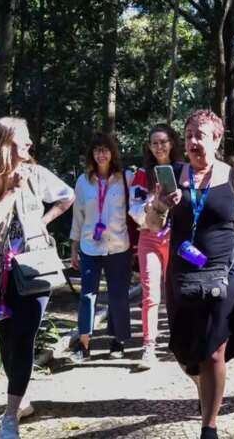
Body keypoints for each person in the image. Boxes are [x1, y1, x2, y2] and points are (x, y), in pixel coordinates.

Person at [146, 110, 234, 439]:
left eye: (200, 135)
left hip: (225, 269)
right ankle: (207, 388)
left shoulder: (233, 177)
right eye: (188, 135)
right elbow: (153, 226)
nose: (192, 141)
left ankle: (209, 425)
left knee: (214, 349)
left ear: (217, 139)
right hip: (183, 273)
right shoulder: (172, 174)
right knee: (185, 353)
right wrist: (160, 206)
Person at [0, 117, 74, 439]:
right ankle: (20, 400)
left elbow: (67, 195)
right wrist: (12, 192)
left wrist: (45, 221)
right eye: (23, 139)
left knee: (23, 338)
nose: (30, 144)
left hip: (34, 270)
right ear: (5, 144)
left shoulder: (37, 174)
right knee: (6, 342)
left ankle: (10, 417)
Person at [69, 133, 134, 363]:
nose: (101, 154)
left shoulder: (126, 178)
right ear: (92, 154)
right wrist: (74, 248)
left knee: (118, 296)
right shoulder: (82, 182)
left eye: (105, 149)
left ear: (113, 152)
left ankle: (118, 341)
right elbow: (78, 217)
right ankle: (84, 344)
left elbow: (136, 210)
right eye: (96, 150)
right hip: (90, 247)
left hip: (119, 246)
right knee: (87, 295)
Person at [128, 124, 184, 370]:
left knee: (177, 290)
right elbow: (134, 208)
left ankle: (179, 340)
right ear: (149, 147)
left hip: (176, 237)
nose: (159, 146)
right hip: (149, 237)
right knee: (150, 294)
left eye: (163, 141)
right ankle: (149, 346)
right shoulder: (142, 174)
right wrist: (151, 206)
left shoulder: (183, 170)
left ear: (172, 142)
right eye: (154, 143)